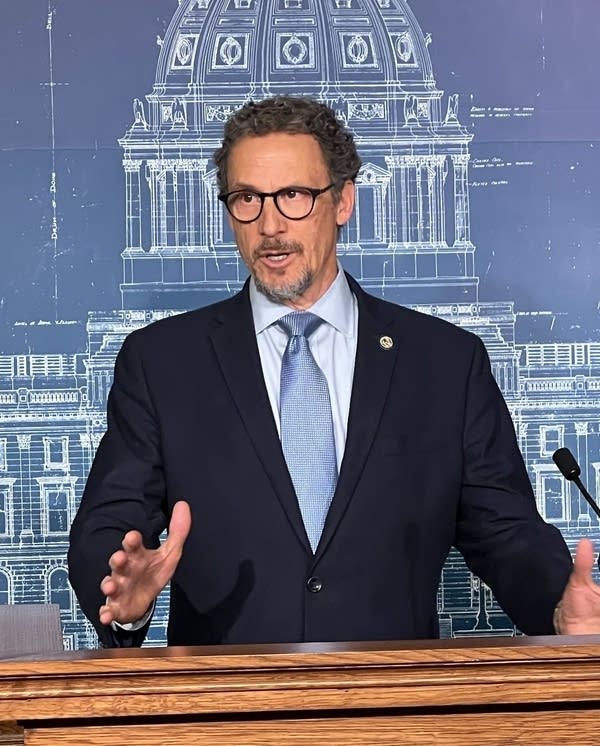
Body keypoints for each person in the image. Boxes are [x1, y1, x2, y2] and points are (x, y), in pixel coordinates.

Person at [68, 95, 600, 648]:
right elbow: (107, 529)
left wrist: (560, 608)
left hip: (395, 715)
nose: (269, 224)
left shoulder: (444, 363)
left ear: (344, 200)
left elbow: (504, 531)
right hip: (227, 716)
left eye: (293, 195)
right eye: (247, 198)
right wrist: (120, 596)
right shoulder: (161, 363)